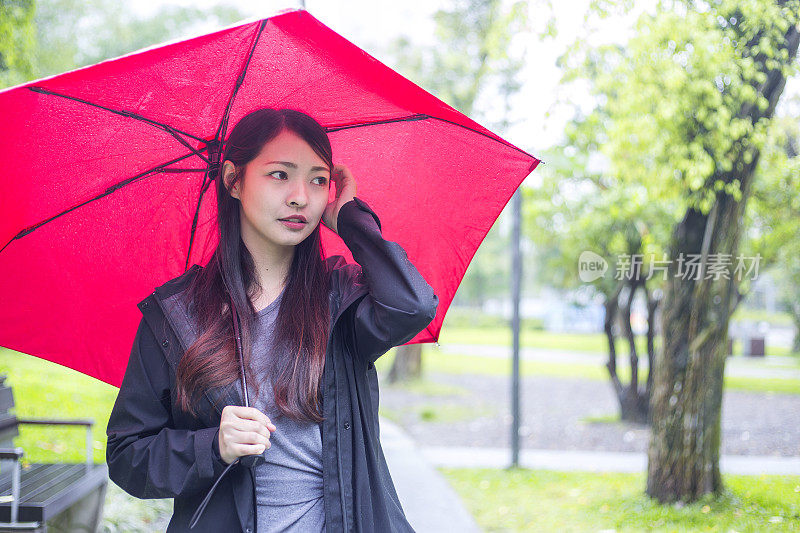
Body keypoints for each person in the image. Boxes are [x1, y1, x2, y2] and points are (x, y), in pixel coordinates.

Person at [105, 107, 439, 533]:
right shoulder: (177, 316)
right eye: (280, 174)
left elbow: (411, 306)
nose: (301, 196)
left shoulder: (342, 298)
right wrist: (213, 446)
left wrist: (353, 220)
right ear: (233, 180)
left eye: (318, 179)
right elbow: (128, 456)